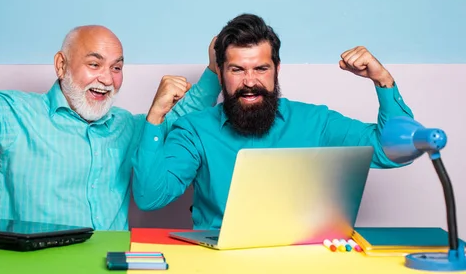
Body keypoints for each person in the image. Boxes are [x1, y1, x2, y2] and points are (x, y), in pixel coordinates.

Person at [0, 0, 221, 230]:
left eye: (116, 68)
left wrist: (213, 69)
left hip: (110, 263)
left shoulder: (127, 127)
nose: (107, 79)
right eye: (94, 64)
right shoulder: (13, 114)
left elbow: (176, 121)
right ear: (61, 65)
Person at [132, 13, 415, 230]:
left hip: (299, 259)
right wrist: (155, 117)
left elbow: (393, 152)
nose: (250, 81)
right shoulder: (195, 129)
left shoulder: (315, 122)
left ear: (276, 69)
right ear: (219, 72)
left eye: (261, 68)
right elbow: (150, 197)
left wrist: (383, 81)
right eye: (237, 70)